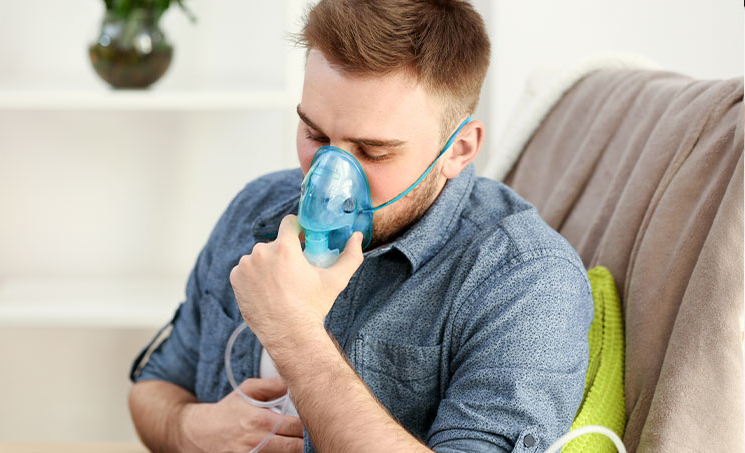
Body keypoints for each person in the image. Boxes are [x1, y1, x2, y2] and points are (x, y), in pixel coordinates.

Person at [128, 1, 594, 452]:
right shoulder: (259, 207)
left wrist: (295, 333)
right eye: (315, 135)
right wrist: (191, 429)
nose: (327, 177)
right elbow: (154, 387)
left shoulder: (526, 281)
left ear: (459, 149)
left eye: (373, 152)